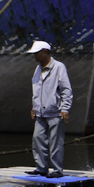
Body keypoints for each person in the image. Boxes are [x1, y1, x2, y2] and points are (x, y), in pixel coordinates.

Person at [26, 40, 72, 178]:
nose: (34, 56)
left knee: (56, 141)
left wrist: (65, 109)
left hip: (55, 112)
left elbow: (66, 89)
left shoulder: (59, 67)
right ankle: (41, 167)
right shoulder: (38, 68)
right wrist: (34, 107)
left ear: (45, 52)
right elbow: (37, 90)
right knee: (38, 138)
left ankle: (57, 170)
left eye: (37, 53)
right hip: (41, 112)